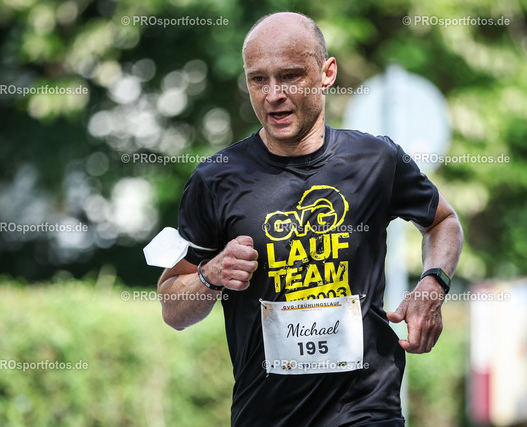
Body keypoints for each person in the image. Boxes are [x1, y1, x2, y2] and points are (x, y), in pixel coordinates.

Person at [155, 11, 463, 427]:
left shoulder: (376, 160)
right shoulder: (216, 179)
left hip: (367, 410)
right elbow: (173, 307)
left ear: (327, 73)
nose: (273, 95)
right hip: (266, 414)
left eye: (290, 76)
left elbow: (443, 221)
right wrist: (211, 274)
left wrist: (433, 284)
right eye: (258, 80)